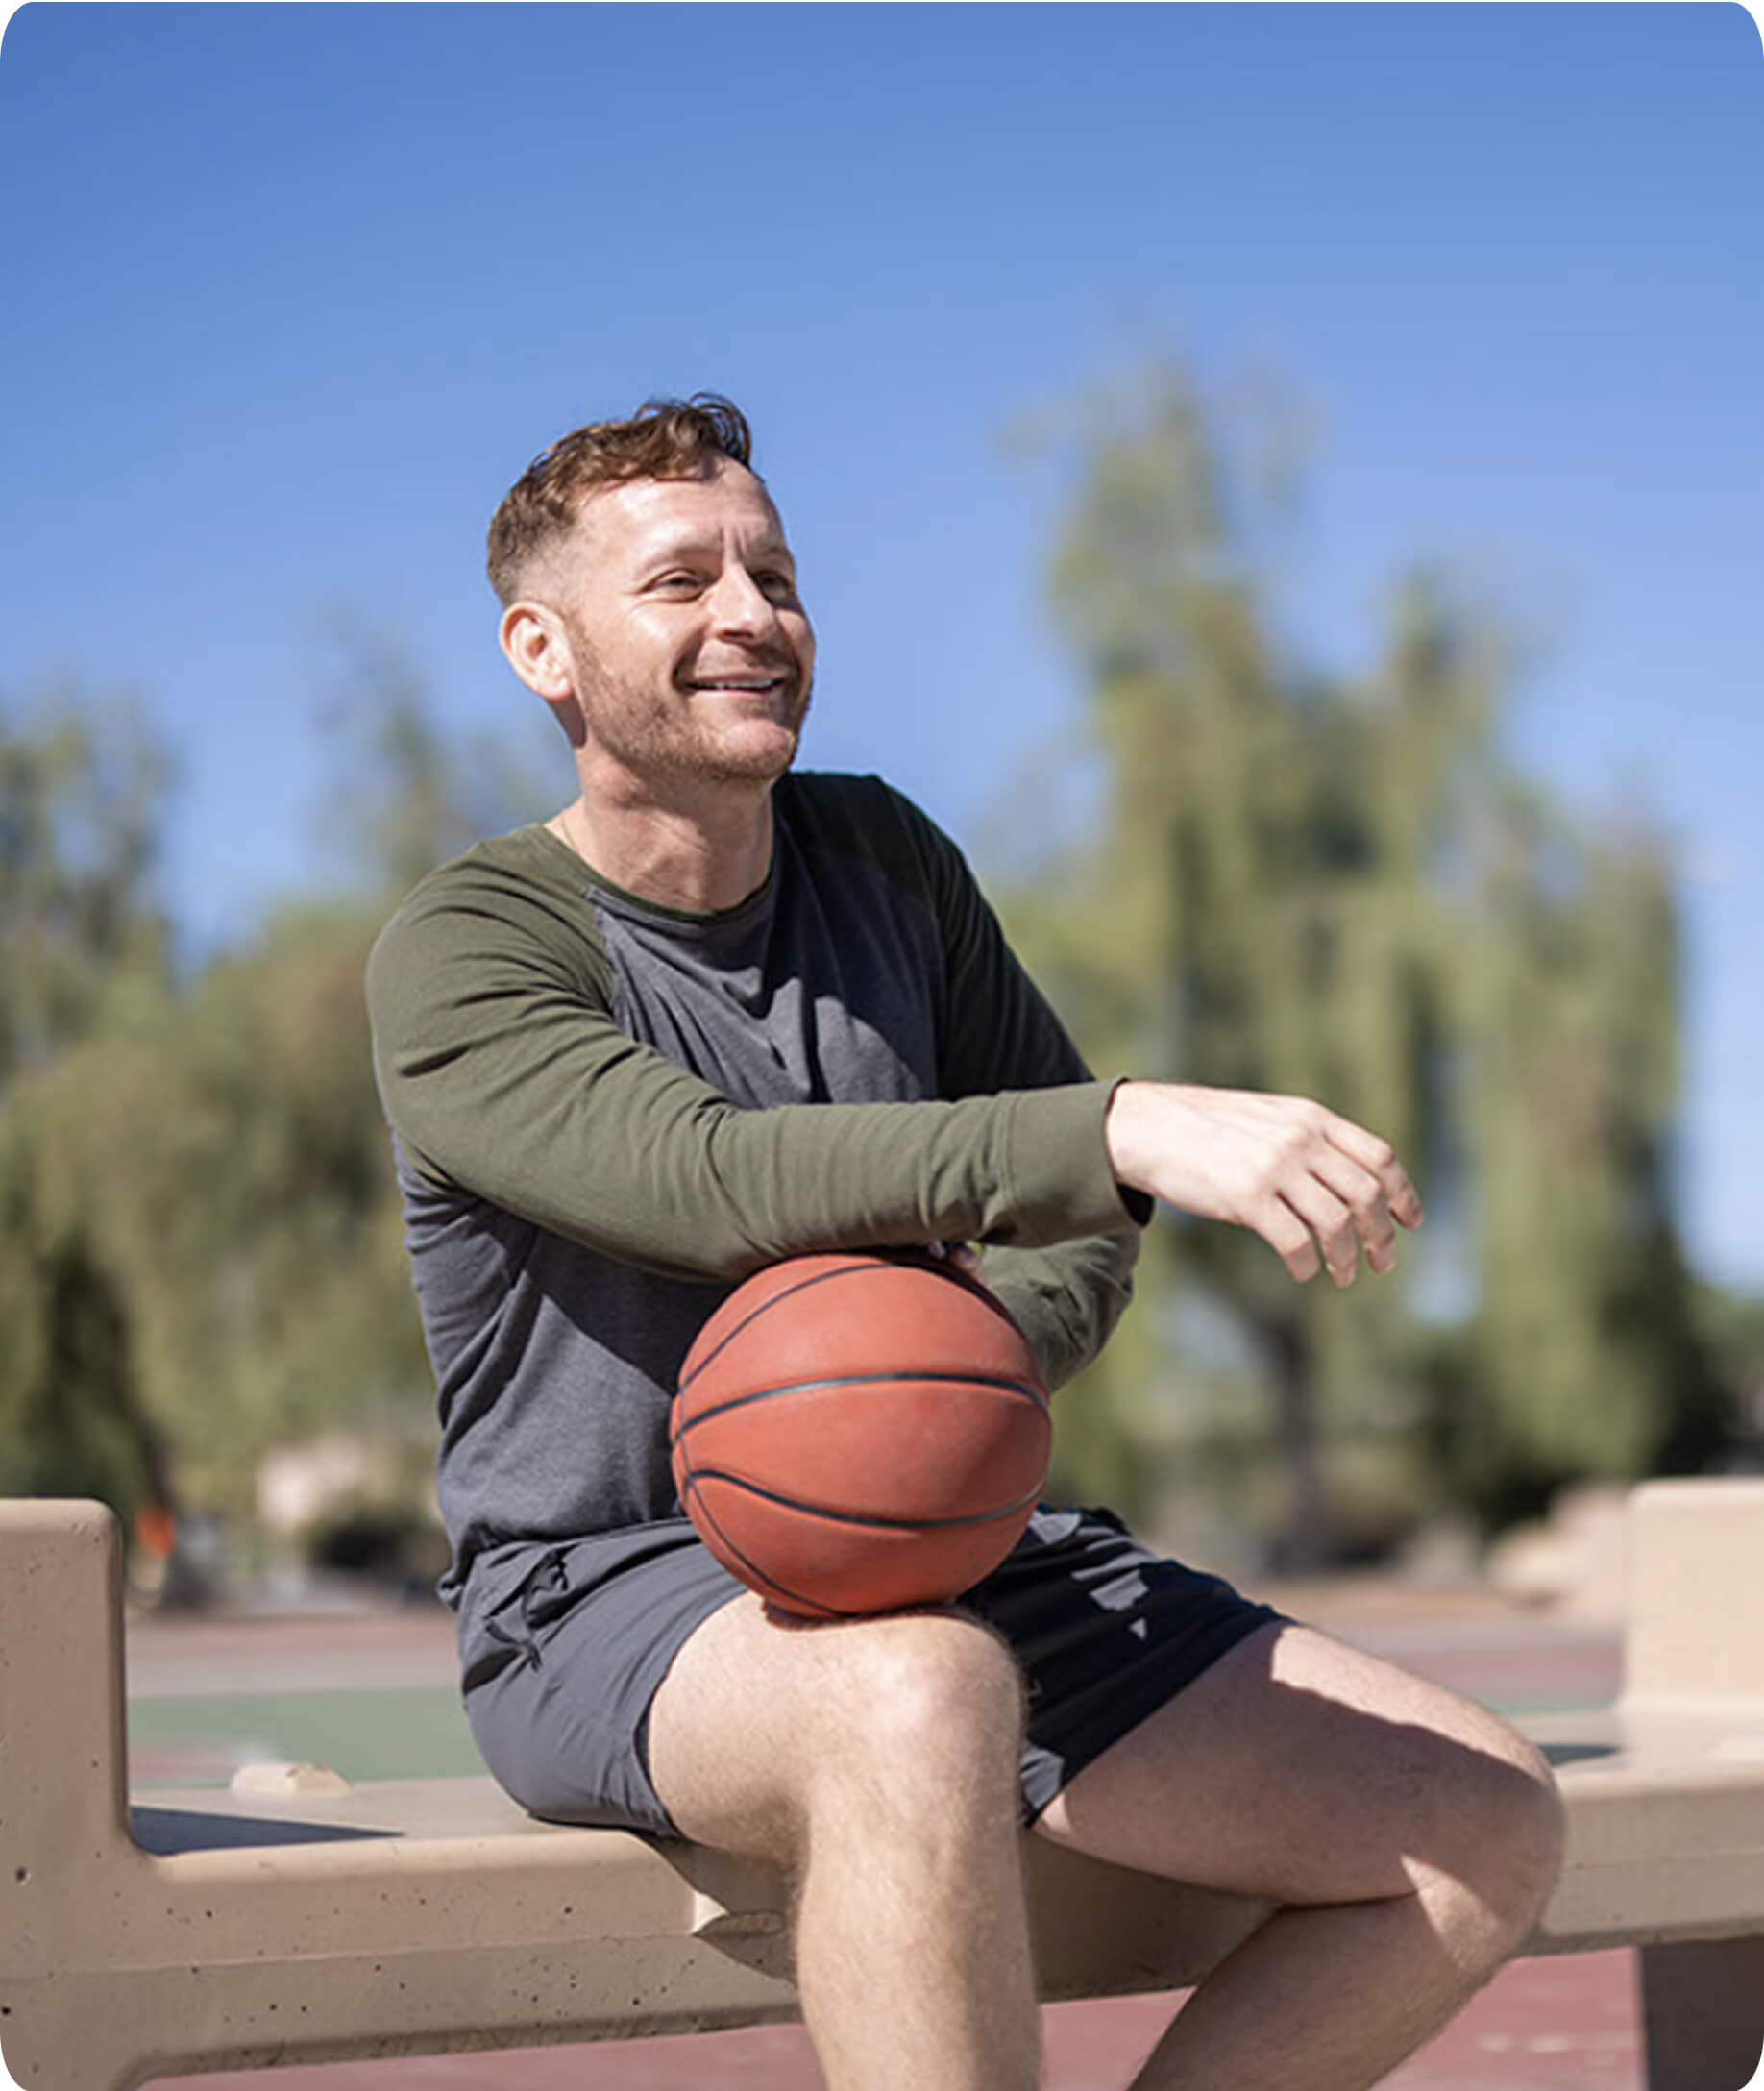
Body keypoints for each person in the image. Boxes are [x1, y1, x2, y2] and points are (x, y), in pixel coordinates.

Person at [365, 394, 1563, 2091]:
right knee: (915, 1695)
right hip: (604, 1591)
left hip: (947, 1545)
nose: (751, 616)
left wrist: (937, 1393)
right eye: (683, 580)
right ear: (540, 650)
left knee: (1481, 1823)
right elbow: (706, 1177)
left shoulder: (885, 860)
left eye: (776, 574)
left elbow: (1071, 1239)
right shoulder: (468, 949)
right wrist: (1117, 1125)